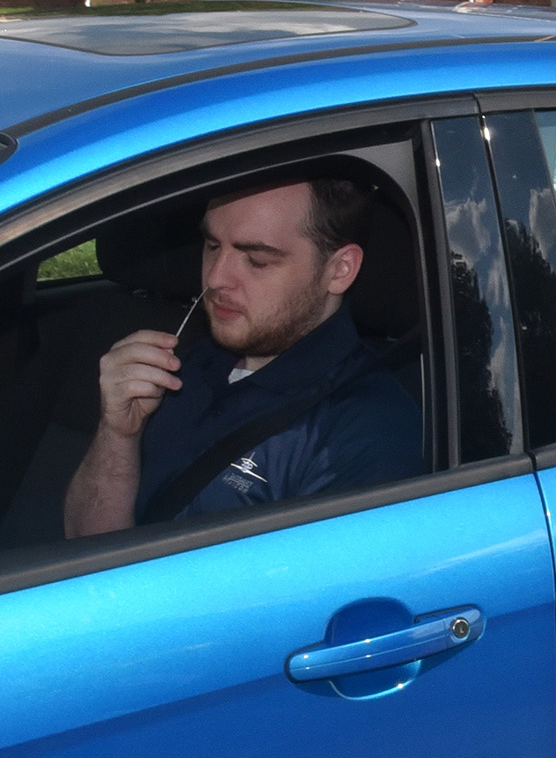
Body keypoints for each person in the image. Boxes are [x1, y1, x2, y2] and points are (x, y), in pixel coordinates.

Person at [63, 171, 422, 536]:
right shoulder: (188, 362)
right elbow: (83, 546)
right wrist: (118, 434)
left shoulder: (365, 432)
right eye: (213, 246)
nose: (216, 279)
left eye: (257, 260)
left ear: (339, 270)